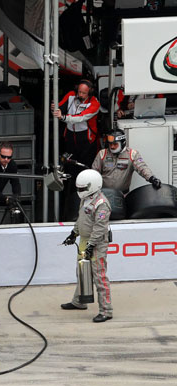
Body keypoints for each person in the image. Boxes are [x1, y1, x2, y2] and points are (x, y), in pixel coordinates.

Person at [60, 169, 113, 323]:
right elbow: (81, 218)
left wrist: (91, 245)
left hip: (97, 244)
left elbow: (100, 227)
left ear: (93, 186)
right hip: (85, 240)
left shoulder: (102, 204)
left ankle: (106, 311)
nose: (79, 191)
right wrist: (73, 233)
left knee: (99, 277)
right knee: (82, 272)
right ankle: (79, 302)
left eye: (82, 189)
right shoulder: (86, 199)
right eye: (79, 188)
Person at [51, 79, 101, 169]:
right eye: (79, 92)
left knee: (85, 165)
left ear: (89, 93)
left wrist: (63, 117)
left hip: (86, 138)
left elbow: (80, 117)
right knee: (70, 164)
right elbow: (60, 106)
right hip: (70, 135)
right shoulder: (71, 95)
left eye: (84, 93)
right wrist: (54, 108)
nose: (80, 95)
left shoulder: (94, 104)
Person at [91, 129, 160, 193]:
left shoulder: (132, 154)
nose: (112, 147)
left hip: (123, 195)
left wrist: (152, 178)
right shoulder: (102, 154)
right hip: (104, 194)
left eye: (115, 144)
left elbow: (142, 168)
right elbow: (94, 172)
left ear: (123, 143)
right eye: (110, 144)